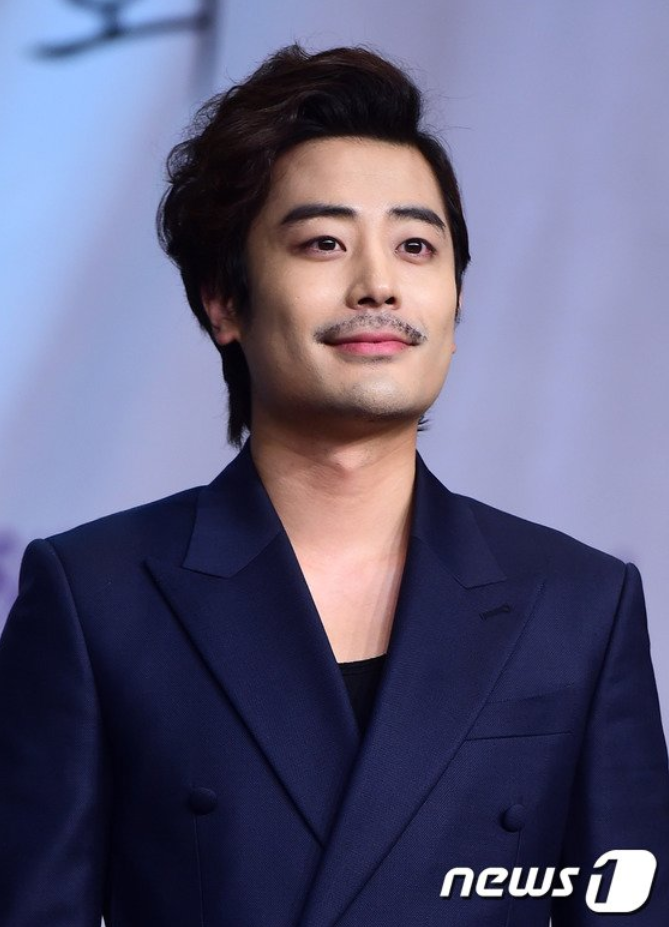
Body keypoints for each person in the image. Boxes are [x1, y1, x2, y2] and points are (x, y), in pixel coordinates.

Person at [0, 44, 667, 927]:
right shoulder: (95, 596)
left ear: (454, 305)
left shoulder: (579, 603)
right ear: (223, 300)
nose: (377, 284)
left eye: (415, 246)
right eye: (323, 242)